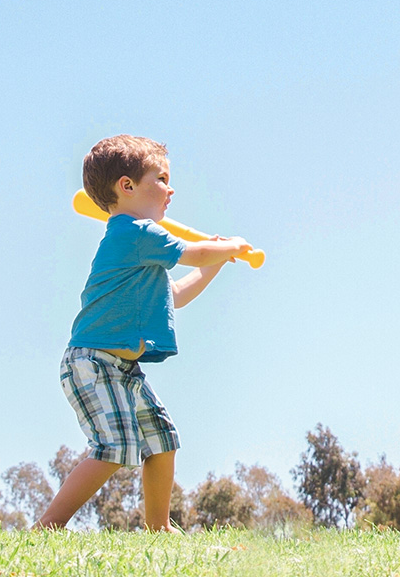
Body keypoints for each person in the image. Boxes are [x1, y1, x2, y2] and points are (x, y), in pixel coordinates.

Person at [36, 135, 248, 532]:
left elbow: (177, 295)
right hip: (94, 362)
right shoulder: (135, 233)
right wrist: (226, 246)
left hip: (121, 368)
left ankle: (158, 528)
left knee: (162, 440)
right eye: (162, 177)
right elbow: (195, 252)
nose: (171, 189)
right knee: (113, 447)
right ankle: (48, 525)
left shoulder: (142, 249)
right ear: (127, 186)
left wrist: (217, 262)